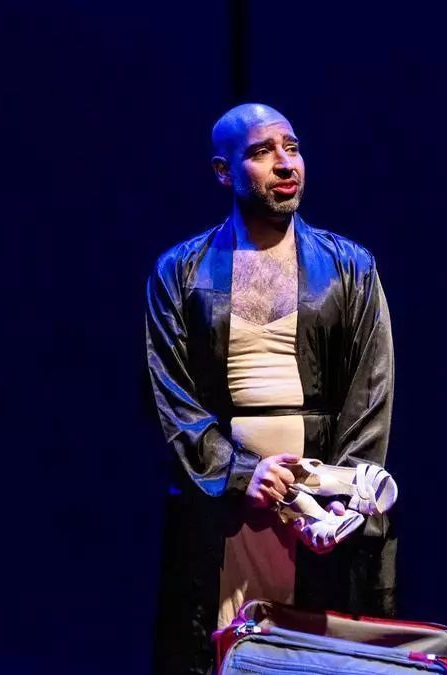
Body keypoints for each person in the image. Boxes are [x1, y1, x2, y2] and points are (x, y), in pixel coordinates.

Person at [145, 103, 397, 674]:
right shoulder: (179, 272)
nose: (286, 163)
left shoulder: (350, 267)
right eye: (262, 152)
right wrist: (241, 474)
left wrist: (338, 496)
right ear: (223, 171)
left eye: (292, 148)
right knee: (221, 649)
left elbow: (370, 393)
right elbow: (172, 399)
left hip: (322, 511)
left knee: (314, 655)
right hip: (226, 505)